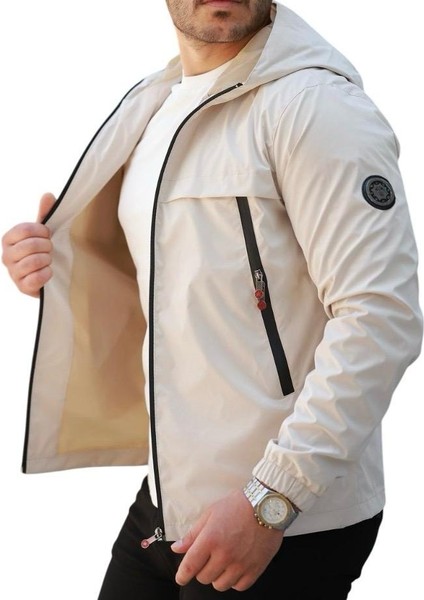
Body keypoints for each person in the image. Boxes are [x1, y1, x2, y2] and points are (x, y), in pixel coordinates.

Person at [1, 1, 422, 598]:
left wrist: (272, 499)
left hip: (285, 518)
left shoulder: (314, 106)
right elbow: (176, 278)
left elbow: (382, 317)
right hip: (168, 498)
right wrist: (55, 263)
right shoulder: (156, 105)